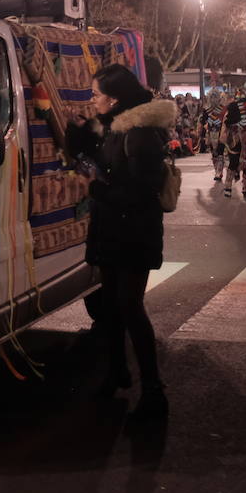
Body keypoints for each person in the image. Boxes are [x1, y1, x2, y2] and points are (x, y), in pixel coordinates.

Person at [65, 64, 172, 420]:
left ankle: (153, 388)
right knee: (110, 306)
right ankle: (117, 372)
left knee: (130, 307)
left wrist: (95, 187)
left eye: (95, 94)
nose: (91, 100)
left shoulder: (139, 134)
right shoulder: (115, 127)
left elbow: (143, 191)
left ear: (114, 99)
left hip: (134, 234)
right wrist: (78, 136)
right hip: (112, 228)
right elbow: (99, 163)